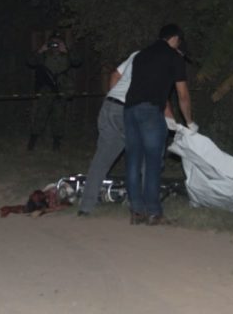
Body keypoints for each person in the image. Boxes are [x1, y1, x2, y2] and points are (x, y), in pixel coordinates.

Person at [124, 24, 195, 226]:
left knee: (133, 161)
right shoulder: (174, 57)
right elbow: (183, 94)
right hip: (149, 112)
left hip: (129, 110)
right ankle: (154, 212)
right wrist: (189, 122)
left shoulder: (141, 55)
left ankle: (136, 211)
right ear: (175, 39)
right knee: (153, 162)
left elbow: (148, 84)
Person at [76, 50, 138, 216]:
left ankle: (85, 207)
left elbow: (115, 75)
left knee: (101, 159)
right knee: (139, 156)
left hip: (109, 106)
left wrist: (113, 100)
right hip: (128, 110)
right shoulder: (161, 61)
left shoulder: (137, 54)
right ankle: (137, 204)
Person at [26, 31, 82, 151]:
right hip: (46, 88)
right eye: (53, 43)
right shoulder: (44, 54)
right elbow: (30, 61)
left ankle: (56, 143)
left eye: (58, 42)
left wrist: (67, 51)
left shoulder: (66, 53)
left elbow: (77, 61)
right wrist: (41, 50)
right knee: (40, 114)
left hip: (61, 88)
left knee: (59, 115)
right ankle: (32, 141)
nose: (55, 45)